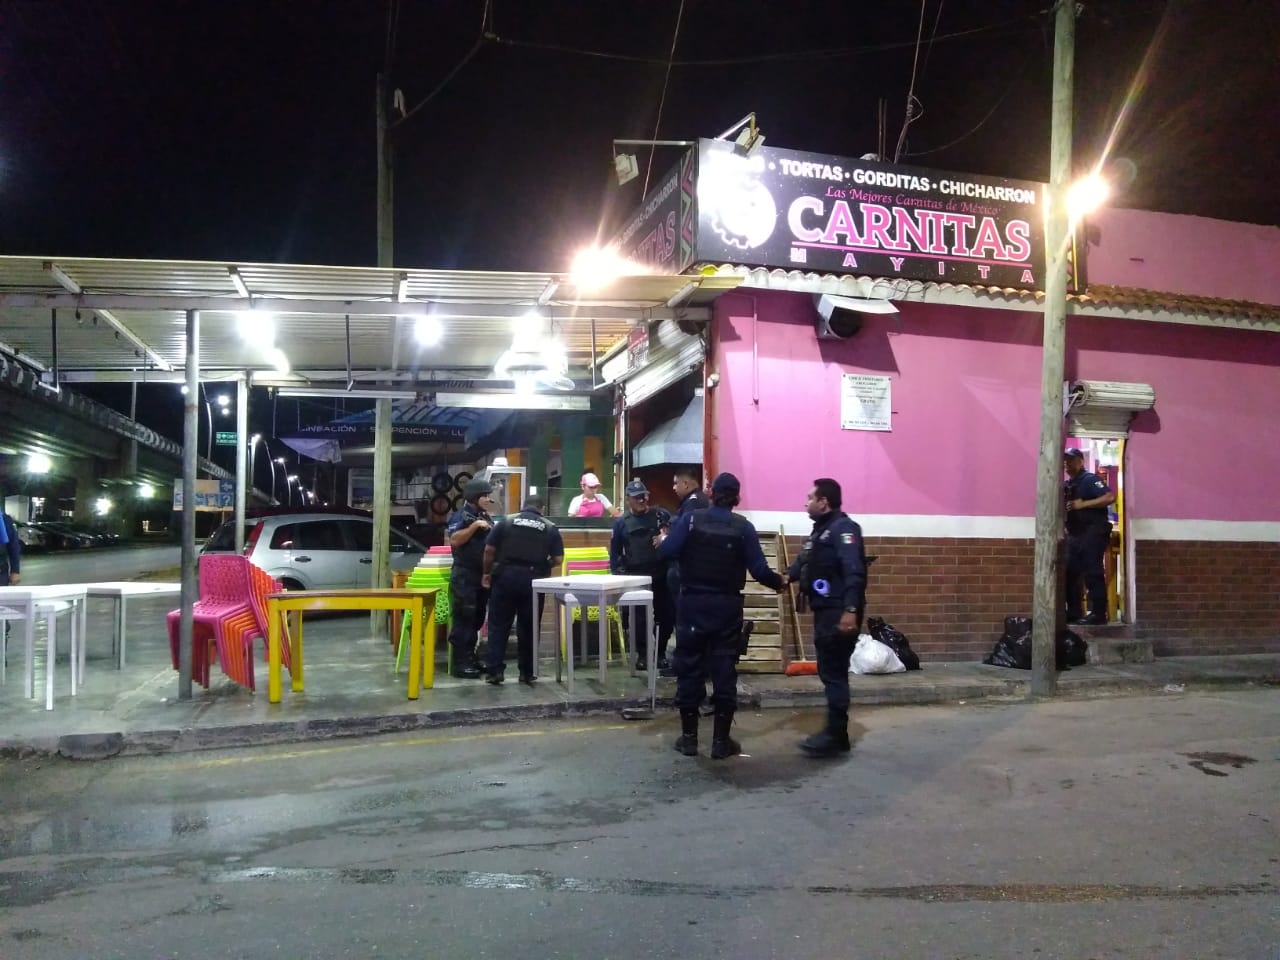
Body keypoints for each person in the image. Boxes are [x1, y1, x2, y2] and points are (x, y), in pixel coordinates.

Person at [658, 472, 785, 760]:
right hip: (726, 607)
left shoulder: (691, 520)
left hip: (692, 605)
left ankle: (689, 739)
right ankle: (720, 742)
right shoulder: (743, 528)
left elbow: (666, 551)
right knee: (724, 669)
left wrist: (673, 544)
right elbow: (760, 570)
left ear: (711, 493)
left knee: (689, 668)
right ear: (737, 498)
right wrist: (780, 582)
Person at [787, 478, 867, 757]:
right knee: (830, 671)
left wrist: (850, 611)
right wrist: (785, 577)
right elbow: (804, 561)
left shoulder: (844, 529)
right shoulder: (821, 531)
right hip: (825, 611)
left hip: (838, 613)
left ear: (823, 502)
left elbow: (854, 571)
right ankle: (838, 735)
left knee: (833, 673)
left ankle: (834, 735)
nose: (805, 502)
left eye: (810, 497)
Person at [482, 494, 564, 685]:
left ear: (523, 506)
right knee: (529, 627)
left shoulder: (505, 522)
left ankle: (494, 671)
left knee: (498, 625)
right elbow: (558, 559)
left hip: (504, 577)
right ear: (542, 508)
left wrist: (486, 573)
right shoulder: (550, 528)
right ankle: (527, 672)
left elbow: (488, 550)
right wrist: (543, 566)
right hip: (533, 581)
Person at [608, 479, 674, 672]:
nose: (642, 500)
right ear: (628, 498)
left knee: (665, 616)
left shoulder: (661, 515)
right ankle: (643, 655)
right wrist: (617, 575)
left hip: (660, 574)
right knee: (638, 620)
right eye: (637, 497)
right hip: (635, 577)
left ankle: (660, 653)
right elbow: (615, 552)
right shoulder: (621, 523)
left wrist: (666, 535)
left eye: (644, 496)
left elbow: (674, 534)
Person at [444, 478, 496, 679]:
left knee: (476, 618)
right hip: (464, 575)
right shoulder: (461, 516)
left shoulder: (484, 516)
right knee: (464, 617)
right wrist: (474, 526)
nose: (488, 499)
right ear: (474, 497)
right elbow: (454, 540)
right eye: (485, 496)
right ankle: (460, 663)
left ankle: (471, 657)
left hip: (481, 575)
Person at [1063, 447, 1116, 625]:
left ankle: (1098, 613)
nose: (1067, 464)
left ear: (1081, 461)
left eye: (1071, 460)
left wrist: (1083, 504)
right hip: (1075, 534)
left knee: (1092, 572)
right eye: (1065, 461)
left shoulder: (1089, 480)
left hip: (1092, 533)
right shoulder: (1069, 484)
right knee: (1071, 574)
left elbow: (1109, 497)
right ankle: (1074, 613)